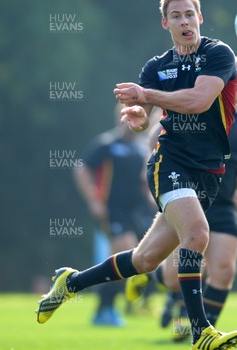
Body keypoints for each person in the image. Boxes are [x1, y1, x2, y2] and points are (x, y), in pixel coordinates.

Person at [37, 0, 237, 350]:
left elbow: (198, 100)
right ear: (164, 23)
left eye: (189, 14)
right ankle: (202, 333)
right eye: (176, 16)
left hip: (209, 172)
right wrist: (136, 115)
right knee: (196, 234)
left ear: (201, 17)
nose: (184, 21)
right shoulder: (156, 67)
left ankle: (69, 283)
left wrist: (145, 98)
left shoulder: (218, 54)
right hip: (170, 162)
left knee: (146, 260)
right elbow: (141, 119)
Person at [125, 56, 237, 342]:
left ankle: (200, 331)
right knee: (173, 275)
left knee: (224, 270)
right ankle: (151, 276)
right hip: (187, 197)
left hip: (222, 206)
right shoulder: (198, 108)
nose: (236, 78)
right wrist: (156, 186)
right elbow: (155, 142)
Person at [73, 105, 155, 326]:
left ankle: (107, 309)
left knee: (136, 262)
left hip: (138, 213)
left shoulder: (141, 148)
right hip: (113, 211)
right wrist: (93, 200)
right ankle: (104, 311)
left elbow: (143, 182)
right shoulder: (106, 144)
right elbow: (82, 169)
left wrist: (153, 198)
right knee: (125, 252)